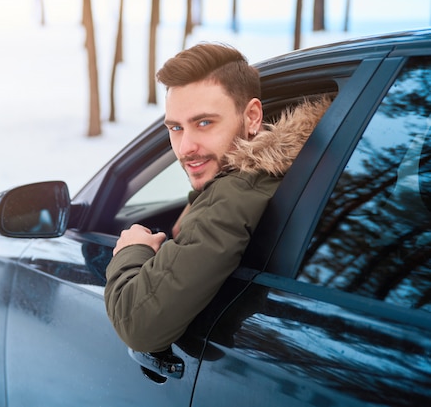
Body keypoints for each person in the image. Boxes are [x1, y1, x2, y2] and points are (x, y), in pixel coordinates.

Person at [104, 42, 331, 353]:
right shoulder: (294, 172)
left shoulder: (235, 194)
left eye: (204, 123)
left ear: (252, 117)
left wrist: (132, 251)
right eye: (175, 127)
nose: (185, 148)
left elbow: (138, 325)